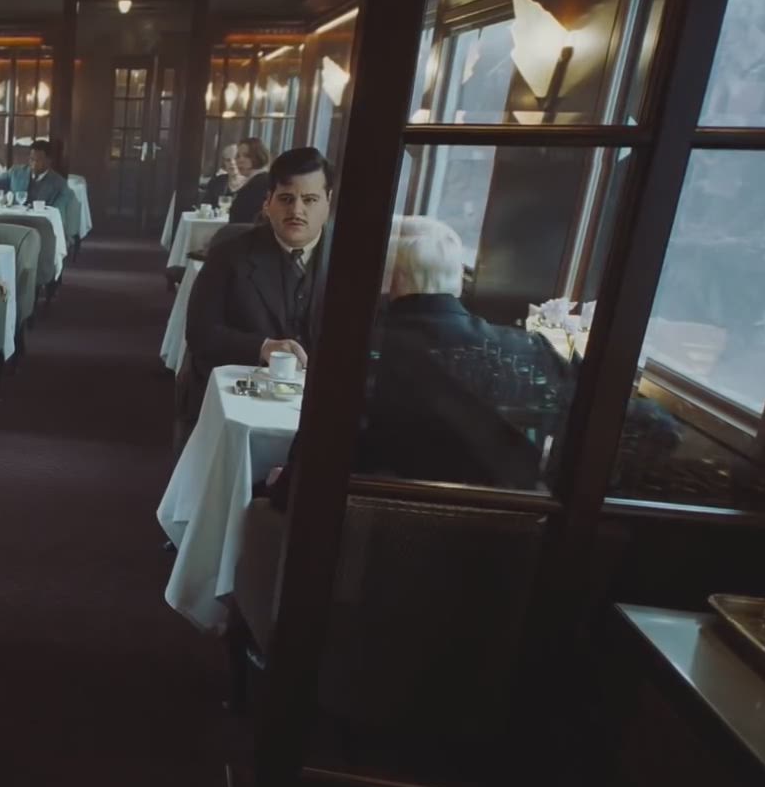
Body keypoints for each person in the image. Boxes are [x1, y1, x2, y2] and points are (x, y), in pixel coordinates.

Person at [268, 217, 575, 509]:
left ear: (392, 280)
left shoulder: (356, 354)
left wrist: (278, 485)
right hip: (508, 536)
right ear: (457, 280)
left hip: (370, 534)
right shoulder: (534, 352)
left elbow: (305, 479)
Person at [185, 146, 333, 387]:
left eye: (310, 200)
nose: (297, 211)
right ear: (268, 202)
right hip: (246, 389)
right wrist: (262, 347)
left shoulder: (352, 264)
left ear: (328, 202)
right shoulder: (228, 255)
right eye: (286, 199)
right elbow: (200, 333)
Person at [0, 140, 70, 208]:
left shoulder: (59, 184)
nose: (33, 164)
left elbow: (57, 213)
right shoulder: (15, 173)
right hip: (12, 219)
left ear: (49, 160)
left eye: (38, 160)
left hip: (40, 221)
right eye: (31, 159)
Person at [226, 138, 272, 224]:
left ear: (259, 156)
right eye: (238, 156)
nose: (240, 160)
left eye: (247, 156)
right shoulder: (253, 180)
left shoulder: (262, 182)